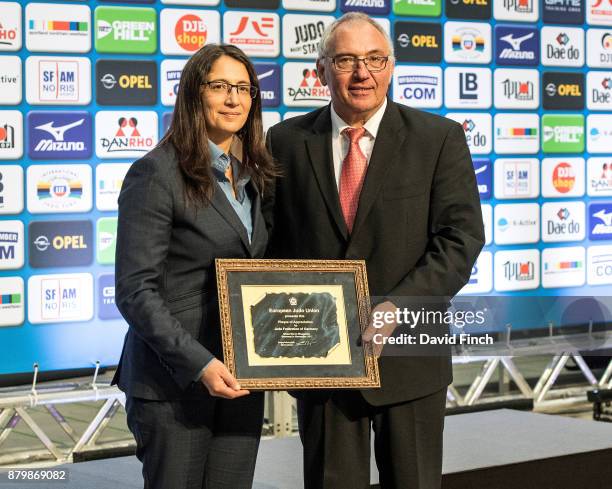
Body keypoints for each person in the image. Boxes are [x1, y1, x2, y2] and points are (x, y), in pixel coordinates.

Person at [263, 12, 485, 489]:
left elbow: (460, 239)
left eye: (375, 59)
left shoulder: (438, 138)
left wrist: (394, 308)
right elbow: (270, 245)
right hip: (323, 362)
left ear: (391, 67)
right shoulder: (285, 141)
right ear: (321, 71)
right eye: (346, 60)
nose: (362, 72)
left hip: (411, 360)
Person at [112, 44, 275, 489]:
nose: (233, 99)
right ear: (192, 93)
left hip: (241, 379)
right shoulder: (156, 173)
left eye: (244, 88)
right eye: (219, 86)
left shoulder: (253, 176)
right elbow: (134, 290)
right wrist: (200, 363)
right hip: (175, 386)